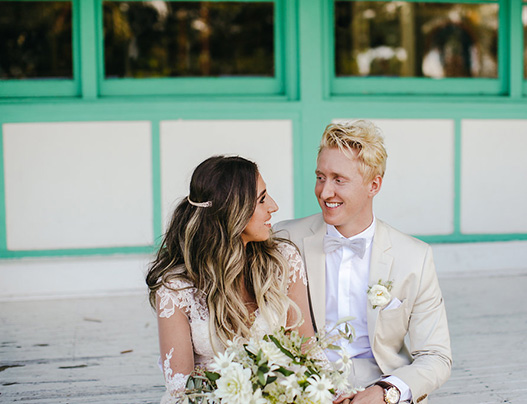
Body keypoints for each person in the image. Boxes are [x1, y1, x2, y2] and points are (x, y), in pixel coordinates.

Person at [274, 120, 452, 404]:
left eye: (339, 180)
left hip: (380, 385)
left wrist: (385, 392)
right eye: (320, 177)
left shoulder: (414, 257)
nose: (324, 192)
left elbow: (436, 356)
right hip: (303, 385)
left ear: (374, 185)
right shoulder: (284, 239)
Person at [146, 155, 314, 404]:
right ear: (232, 211)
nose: (274, 206)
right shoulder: (176, 288)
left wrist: (329, 389)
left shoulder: (283, 260)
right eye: (262, 199)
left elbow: (307, 351)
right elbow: (181, 390)